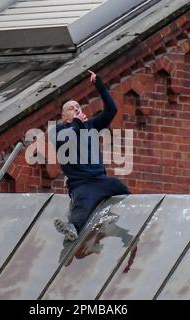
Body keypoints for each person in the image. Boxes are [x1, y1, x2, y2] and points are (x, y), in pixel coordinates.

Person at [51, 70, 131, 242]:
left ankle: (125, 224)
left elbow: (111, 110)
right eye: (71, 108)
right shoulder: (59, 130)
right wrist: (79, 122)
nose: (77, 109)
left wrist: (100, 86)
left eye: (78, 107)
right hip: (82, 184)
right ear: (64, 117)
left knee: (122, 189)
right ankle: (71, 229)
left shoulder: (90, 125)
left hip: (101, 179)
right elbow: (68, 138)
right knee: (82, 207)